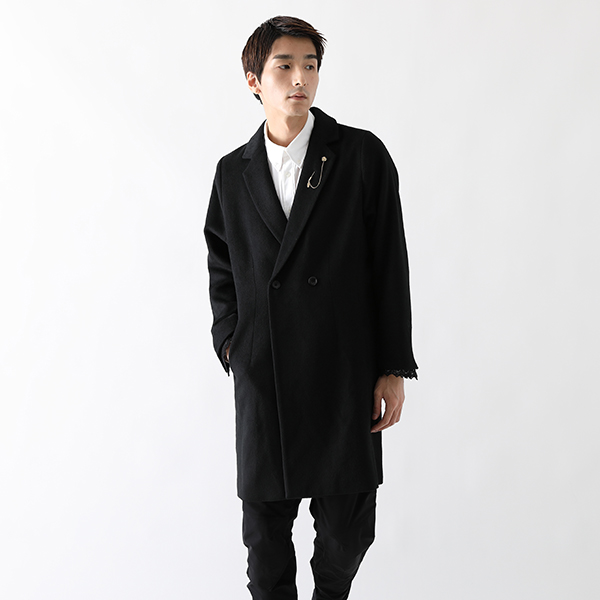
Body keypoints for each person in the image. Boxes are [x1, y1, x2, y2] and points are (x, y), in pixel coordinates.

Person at [204, 15, 418, 600]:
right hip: (265, 375)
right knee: (265, 545)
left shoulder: (360, 155)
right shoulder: (232, 172)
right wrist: (233, 343)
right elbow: (221, 267)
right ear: (254, 80)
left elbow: (389, 264)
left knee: (348, 532)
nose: (301, 78)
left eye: (311, 65)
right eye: (285, 66)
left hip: (343, 371)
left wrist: (392, 366)